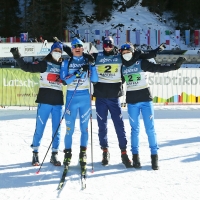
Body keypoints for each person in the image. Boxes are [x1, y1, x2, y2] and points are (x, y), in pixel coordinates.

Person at [91, 36, 166, 168]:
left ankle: (124, 153)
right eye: (105, 45)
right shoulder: (97, 56)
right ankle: (105, 151)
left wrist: (155, 51)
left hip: (114, 98)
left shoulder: (120, 56)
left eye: (110, 44)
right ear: (102, 46)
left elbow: (139, 55)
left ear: (113, 46)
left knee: (120, 127)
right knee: (102, 126)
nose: (107, 47)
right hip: (101, 97)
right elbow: (80, 57)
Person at [120, 42, 186, 170]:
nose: (126, 55)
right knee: (135, 130)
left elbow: (158, 68)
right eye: (124, 53)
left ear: (133, 52)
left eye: (128, 52)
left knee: (150, 129)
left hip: (145, 100)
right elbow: (113, 82)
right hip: (132, 101)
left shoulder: (141, 63)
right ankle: (135, 157)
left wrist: (174, 66)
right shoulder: (122, 67)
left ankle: (154, 157)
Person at [10, 42, 64, 166]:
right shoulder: (45, 64)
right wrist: (17, 56)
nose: (57, 52)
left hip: (57, 102)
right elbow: (26, 67)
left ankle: (54, 154)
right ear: (51, 51)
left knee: (57, 130)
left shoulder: (63, 65)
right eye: (55, 50)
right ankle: (35, 153)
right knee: (40, 128)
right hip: (44, 101)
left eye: (59, 50)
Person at [59, 38, 98, 173]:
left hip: (85, 97)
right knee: (69, 129)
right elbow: (64, 81)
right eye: (75, 46)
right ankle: (67, 154)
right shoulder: (66, 62)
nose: (77, 48)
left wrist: (92, 66)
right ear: (72, 49)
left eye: (80, 46)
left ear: (83, 49)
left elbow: (95, 80)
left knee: (84, 129)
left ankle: (83, 154)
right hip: (71, 96)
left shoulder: (87, 60)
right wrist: (78, 72)